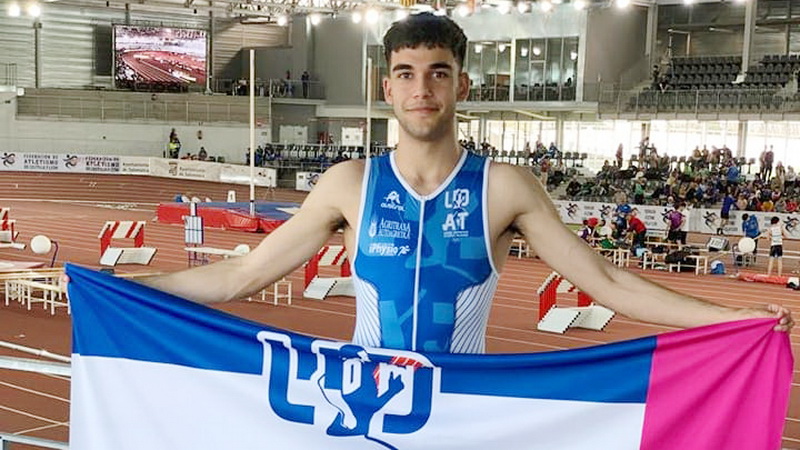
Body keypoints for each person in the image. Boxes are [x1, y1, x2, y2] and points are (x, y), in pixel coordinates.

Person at [102, 13, 790, 353]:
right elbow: (240, 275)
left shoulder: (506, 188)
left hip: (465, 414)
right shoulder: (348, 183)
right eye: (405, 74)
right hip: (365, 410)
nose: (421, 89)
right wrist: (123, 288)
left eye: (438, 73)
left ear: (462, 85)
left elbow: (609, 284)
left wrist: (731, 319)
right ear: (387, 89)